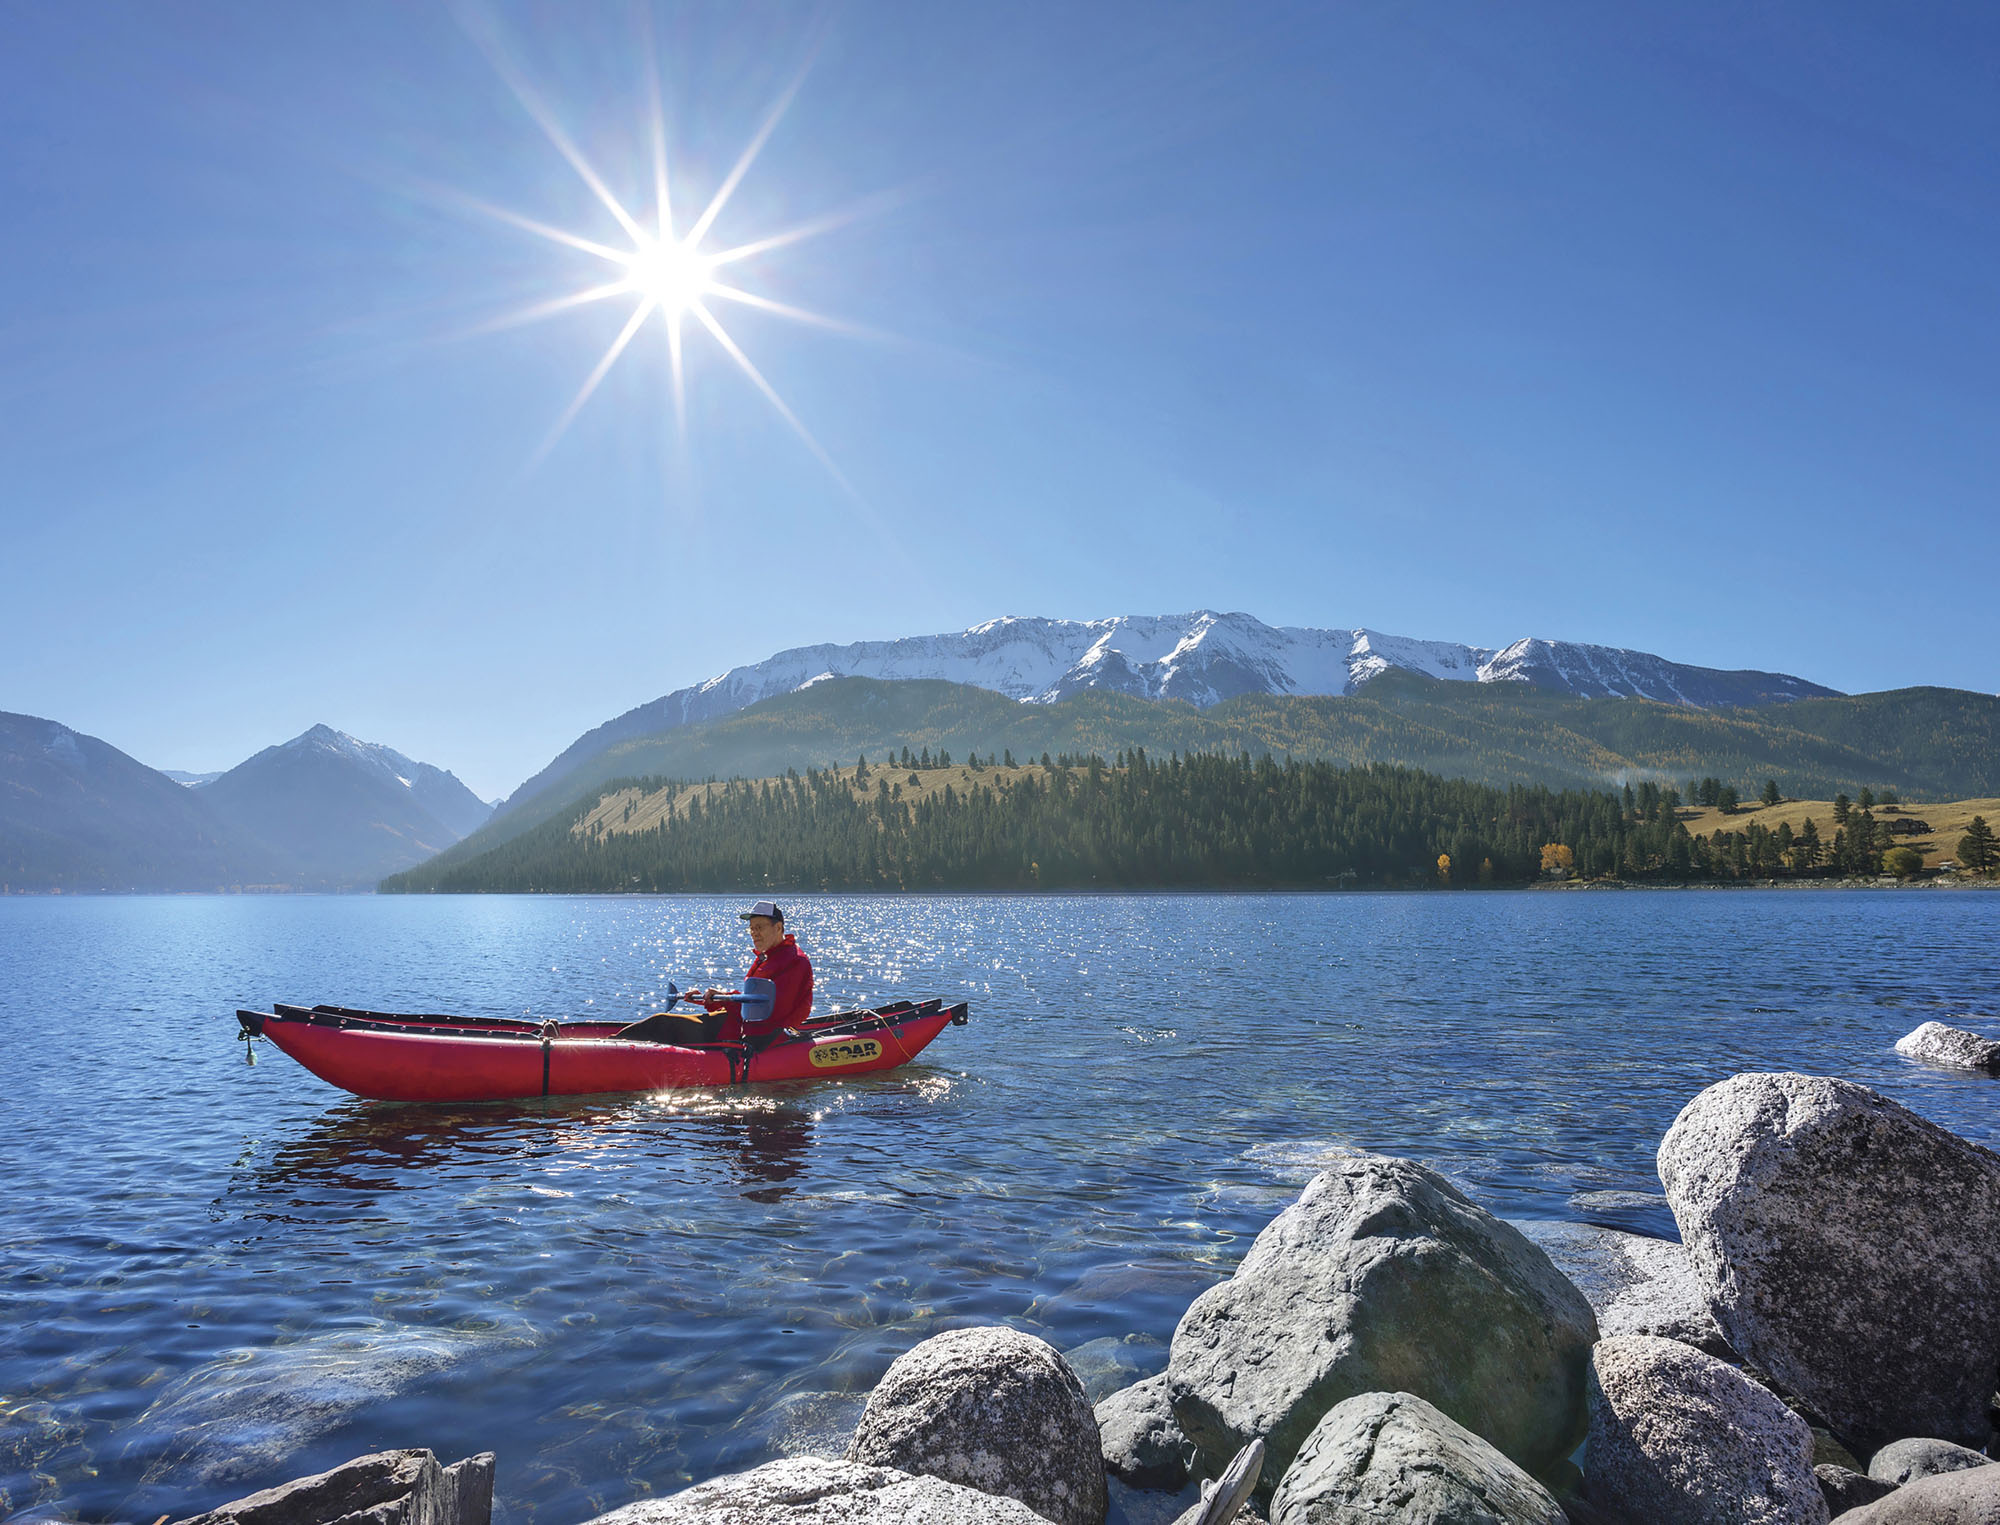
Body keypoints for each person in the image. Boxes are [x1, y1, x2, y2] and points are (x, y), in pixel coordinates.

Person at [697, 900, 813, 1048]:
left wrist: (724, 999)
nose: (754, 934)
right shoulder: (767, 958)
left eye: (759, 927)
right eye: (751, 929)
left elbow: (769, 1012)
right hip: (752, 1032)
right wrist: (707, 999)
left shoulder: (795, 962)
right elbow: (751, 1003)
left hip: (771, 1040)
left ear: (778, 928)